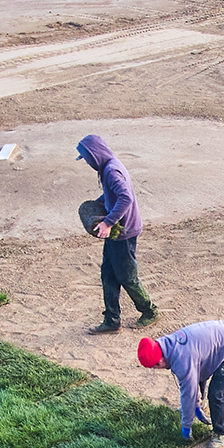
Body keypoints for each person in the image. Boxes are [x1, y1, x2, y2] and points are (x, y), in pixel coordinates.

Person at [76, 133, 158, 334]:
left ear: (94, 155)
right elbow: (111, 193)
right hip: (116, 233)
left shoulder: (111, 170)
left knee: (127, 276)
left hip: (124, 232)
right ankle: (112, 320)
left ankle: (150, 311)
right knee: (108, 274)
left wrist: (107, 222)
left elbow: (125, 197)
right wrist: (100, 201)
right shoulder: (108, 166)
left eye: (86, 158)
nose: (86, 162)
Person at [138, 321, 224, 448]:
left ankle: (220, 432)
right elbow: (192, 380)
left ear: (160, 361)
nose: (157, 369)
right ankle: (200, 405)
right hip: (216, 339)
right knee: (195, 376)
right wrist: (196, 405)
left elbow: (188, 394)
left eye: (155, 367)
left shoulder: (182, 360)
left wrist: (186, 426)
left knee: (215, 392)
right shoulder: (163, 344)